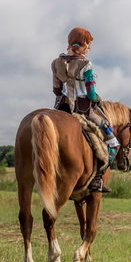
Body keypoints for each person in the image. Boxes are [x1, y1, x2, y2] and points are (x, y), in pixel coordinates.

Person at [51, 27, 119, 193]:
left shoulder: (56, 63)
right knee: (113, 141)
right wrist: (96, 99)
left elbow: (56, 90)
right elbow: (91, 92)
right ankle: (97, 179)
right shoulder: (86, 64)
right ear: (83, 45)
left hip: (61, 108)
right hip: (83, 110)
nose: (89, 48)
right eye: (88, 44)